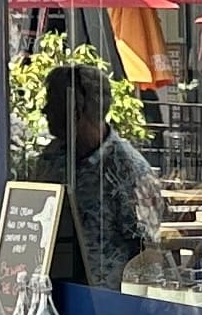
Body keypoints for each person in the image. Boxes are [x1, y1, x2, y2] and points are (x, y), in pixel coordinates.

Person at [48, 61, 160, 289]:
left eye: (53, 103)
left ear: (78, 110)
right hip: (55, 291)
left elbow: (149, 251)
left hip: (105, 300)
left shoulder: (128, 170)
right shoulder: (52, 158)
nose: (45, 110)